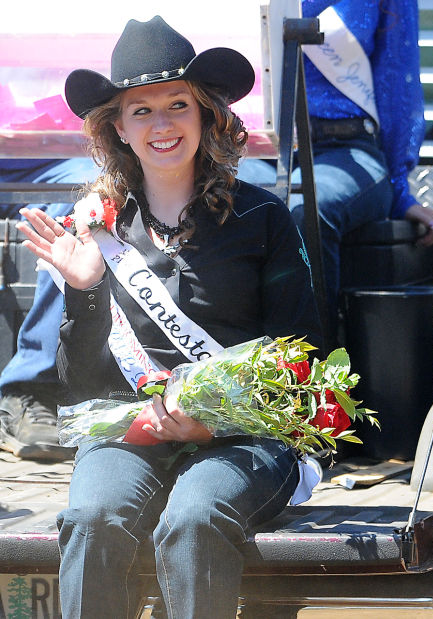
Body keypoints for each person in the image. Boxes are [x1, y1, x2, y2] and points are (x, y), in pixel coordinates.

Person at [17, 16, 323, 619]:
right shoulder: (99, 232)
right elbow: (83, 393)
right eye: (141, 111)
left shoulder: (263, 220)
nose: (161, 125)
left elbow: (302, 362)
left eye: (177, 105)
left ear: (207, 114)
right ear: (119, 130)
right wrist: (83, 290)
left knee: (195, 517)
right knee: (90, 515)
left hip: (245, 436)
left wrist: (209, 428)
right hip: (132, 432)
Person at [238, 0, 433, 333]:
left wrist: (400, 191)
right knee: (234, 203)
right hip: (264, 146)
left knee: (306, 208)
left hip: (350, 146)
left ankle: (313, 370)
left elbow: (396, 81)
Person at [0, 157, 99, 461]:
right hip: (24, 163)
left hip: (117, 149)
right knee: (88, 195)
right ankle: (32, 388)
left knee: (244, 181)